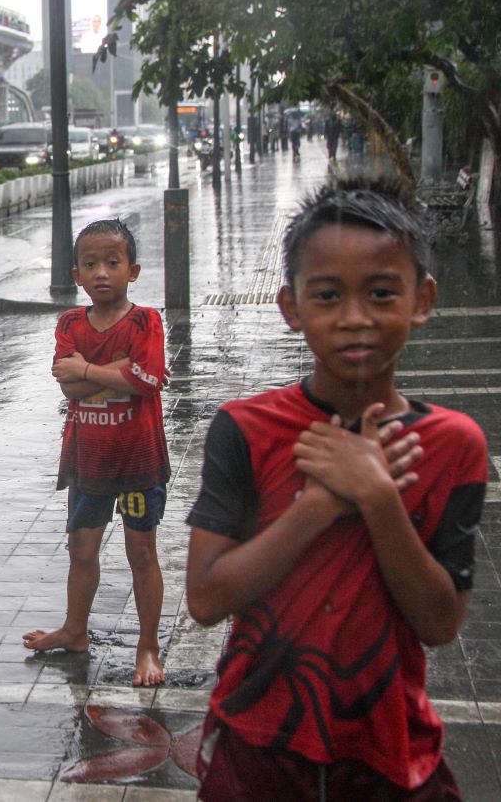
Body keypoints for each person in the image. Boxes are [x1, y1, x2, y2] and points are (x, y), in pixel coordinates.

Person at [185, 181, 488, 800]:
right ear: (291, 306)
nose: (354, 318)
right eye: (327, 295)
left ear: (422, 299)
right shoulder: (245, 428)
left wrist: (378, 498)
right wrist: (322, 504)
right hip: (256, 745)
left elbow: (439, 622)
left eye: (381, 293)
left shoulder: (453, 444)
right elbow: (207, 598)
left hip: (390, 750)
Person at [22, 219, 170, 688]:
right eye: (90, 264)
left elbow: (148, 379)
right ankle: (75, 629)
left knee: (141, 553)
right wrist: (118, 369)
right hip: (87, 461)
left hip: (138, 460)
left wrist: (87, 370)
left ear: (133, 270)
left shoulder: (146, 321)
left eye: (112, 262)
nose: (102, 272)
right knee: (81, 550)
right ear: (77, 274)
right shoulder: (70, 323)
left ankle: (148, 646)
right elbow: (67, 386)